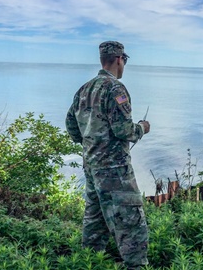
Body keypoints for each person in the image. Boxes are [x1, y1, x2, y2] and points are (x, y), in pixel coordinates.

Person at [65, 41, 151, 269]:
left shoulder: (84, 90)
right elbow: (123, 130)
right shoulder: (115, 89)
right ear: (119, 59)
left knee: (95, 220)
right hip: (114, 170)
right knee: (131, 222)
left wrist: (92, 141)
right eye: (125, 60)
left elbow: (72, 128)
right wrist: (142, 128)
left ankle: (90, 263)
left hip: (92, 167)